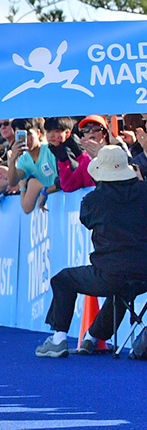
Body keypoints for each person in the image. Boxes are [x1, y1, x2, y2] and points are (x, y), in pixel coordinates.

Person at [36, 145, 147, 358]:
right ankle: (93, 336)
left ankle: (59, 339)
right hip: (144, 274)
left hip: (109, 274)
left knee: (63, 279)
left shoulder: (94, 200)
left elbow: (86, 220)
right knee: (123, 289)